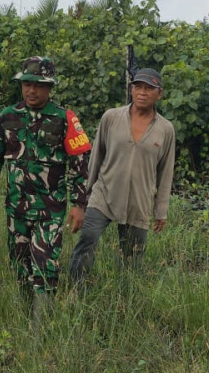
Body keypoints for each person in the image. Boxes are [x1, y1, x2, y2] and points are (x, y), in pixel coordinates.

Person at [0, 56, 92, 302]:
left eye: (38, 84)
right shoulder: (7, 117)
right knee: (19, 267)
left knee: (45, 268)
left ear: (49, 87)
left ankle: (41, 332)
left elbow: (80, 164)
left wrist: (79, 204)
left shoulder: (65, 119)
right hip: (16, 209)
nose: (31, 90)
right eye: (27, 84)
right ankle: (23, 318)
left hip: (50, 211)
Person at [68, 67, 175, 286]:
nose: (142, 93)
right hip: (104, 193)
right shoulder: (112, 117)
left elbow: (166, 172)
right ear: (131, 89)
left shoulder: (165, 129)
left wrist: (161, 210)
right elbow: (96, 157)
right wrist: (82, 197)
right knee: (88, 238)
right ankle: (75, 289)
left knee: (132, 254)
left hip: (139, 199)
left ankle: (124, 297)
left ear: (159, 94)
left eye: (149, 88)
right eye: (138, 87)